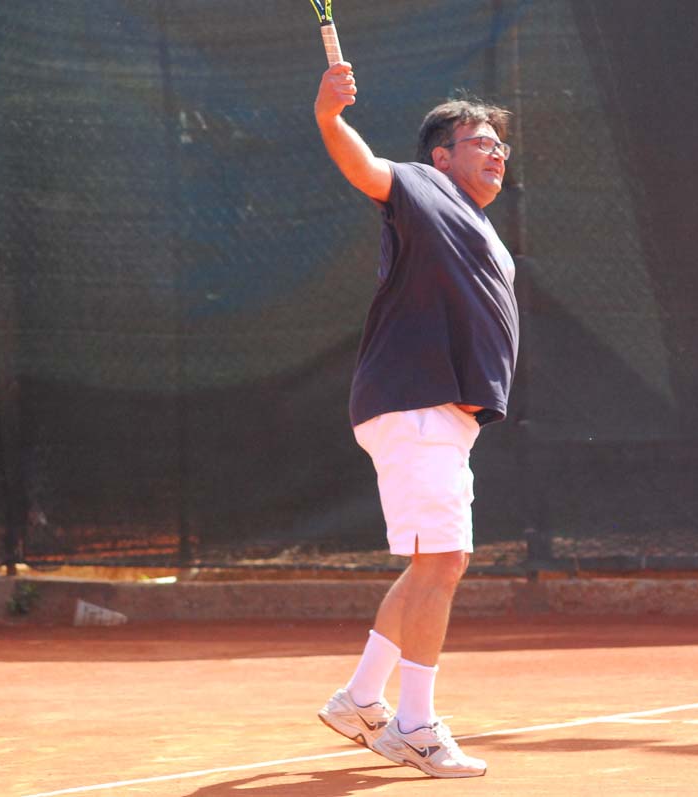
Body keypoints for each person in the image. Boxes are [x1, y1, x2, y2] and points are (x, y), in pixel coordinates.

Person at [313, 59, 519, 779]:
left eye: (501, 144)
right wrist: (329, 117)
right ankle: (415, 726)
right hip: (416, 403)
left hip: (442, 416)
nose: (497, 152)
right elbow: (363, 167)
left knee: (437, 561)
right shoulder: (421, 187)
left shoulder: (479, 224)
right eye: (481, 141)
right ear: (442, 156)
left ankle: (361, 698)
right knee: (442, 562)